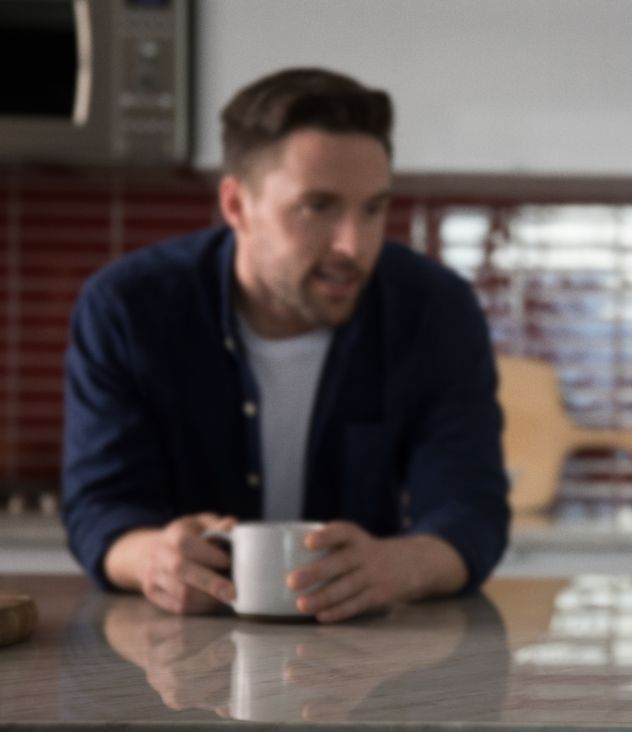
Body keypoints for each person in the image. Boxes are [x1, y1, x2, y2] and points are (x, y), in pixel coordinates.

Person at [61, 67, 510, 622]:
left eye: (373, 209)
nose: (354, 245)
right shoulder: (128, 307)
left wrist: (400, 566)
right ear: (236, 205)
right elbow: (102, 508)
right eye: (318, 207)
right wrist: (155, 559)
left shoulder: (435, 310)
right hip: (174, 650)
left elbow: (470, 509)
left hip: (368, 649)